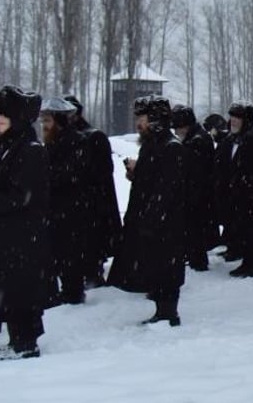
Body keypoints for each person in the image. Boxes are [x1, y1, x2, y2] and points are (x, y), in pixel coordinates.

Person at [0, 86, 50, 359]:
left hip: (23, 236)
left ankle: (25, 344)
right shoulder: (10, 146)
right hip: (8, 235)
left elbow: (21, 196)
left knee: (21, 290)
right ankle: (18, 339)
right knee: (10, 288)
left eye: (2, 120)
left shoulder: (30, 150)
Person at [108, 96, 188, 326]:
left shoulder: (170, 147)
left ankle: (168, 313)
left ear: (154, 120)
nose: (138, 125)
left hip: (164, 222)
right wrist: (137, 173)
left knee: (166, 268)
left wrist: (151, 217)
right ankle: (161, 309)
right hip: (151, 219)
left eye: (142, 119)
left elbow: (166, 188)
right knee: (156, 266)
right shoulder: (153, 144)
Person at [65, 95, 121, 288]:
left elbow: (103, 172)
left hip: (94, 204)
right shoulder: (68, 137)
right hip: (81, 204)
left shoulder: (92, 136)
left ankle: (93, 275)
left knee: (92, 246)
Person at [40, 97, 88, 305]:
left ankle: (73, 291)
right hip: (57, 206)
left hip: (70, 207)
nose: (44, 126)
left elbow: (69, 173)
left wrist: (45, 176)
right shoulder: (54, 142)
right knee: (59, 249)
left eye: (48, 121)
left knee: (70, 251)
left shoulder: (75, 141)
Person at [223, 103, 253, 278]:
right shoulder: (233, 139)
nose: (233, 121)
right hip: (239, 194)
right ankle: (246, 260)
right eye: (232, 118)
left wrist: (251, 183)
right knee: (243, 228)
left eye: (238, 118)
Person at [172, 105, 216, 271]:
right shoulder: (196, 138)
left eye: (178, 127)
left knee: (195, 228)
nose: (176, 132)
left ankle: (198, 260)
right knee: (194, 228)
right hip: (197, 191)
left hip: (198, 192)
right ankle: (194, 256)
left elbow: (196, 171)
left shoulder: (197, 141)